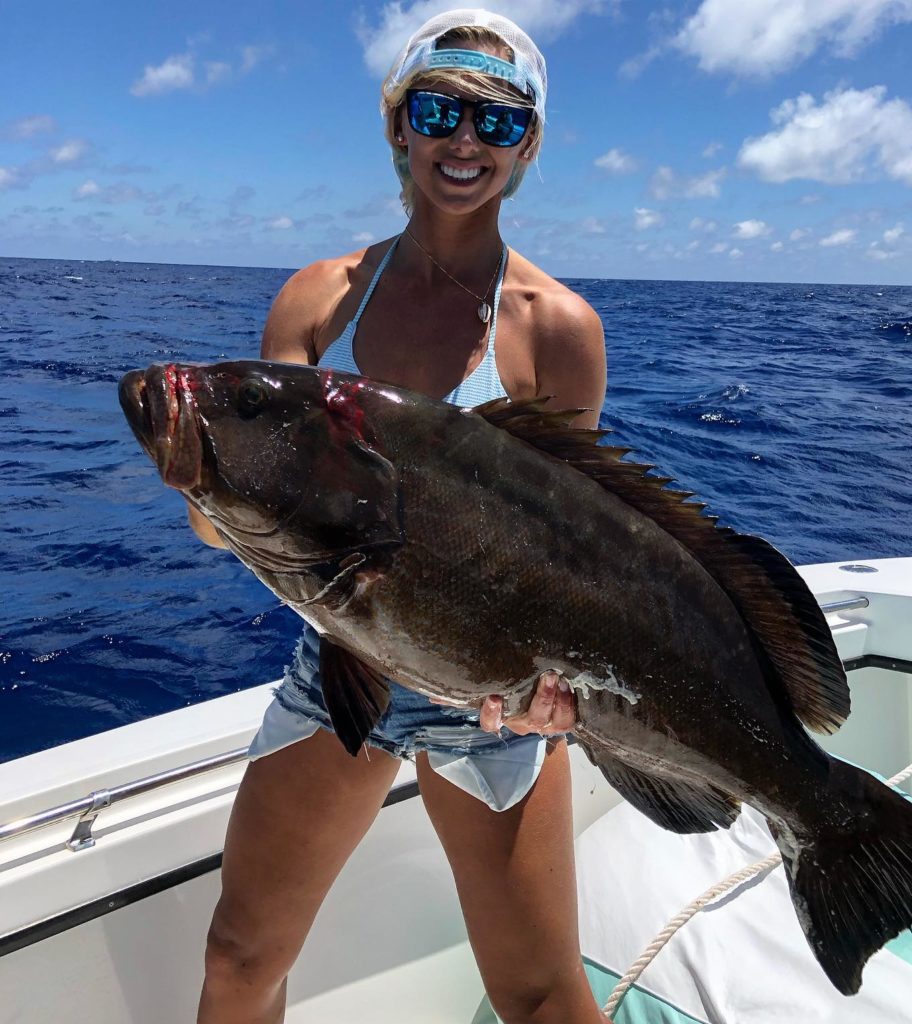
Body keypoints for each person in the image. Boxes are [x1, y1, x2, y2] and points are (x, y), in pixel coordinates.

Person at [188, 11, 608, 1024]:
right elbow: (225, 527)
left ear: (529, 145)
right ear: (399, 127)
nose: (465, 142)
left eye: (497, 123)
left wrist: (565, 690)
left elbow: (574, 558)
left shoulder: (560, 330)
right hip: (339, 664)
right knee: (240, 955)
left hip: (494, 700)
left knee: (540, 989)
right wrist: (207, 489)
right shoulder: (316, 301)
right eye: (439, 111)